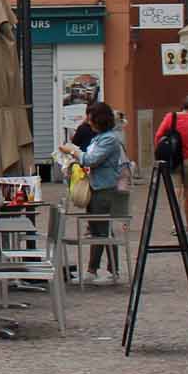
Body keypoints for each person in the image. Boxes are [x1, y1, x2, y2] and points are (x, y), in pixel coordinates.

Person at [81, 104, 130, 284]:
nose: (88, 120)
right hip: (96, 188)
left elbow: (91, 160)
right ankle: (105, 270)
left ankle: (100, 270)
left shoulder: (109, 139)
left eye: (91, 117)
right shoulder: (99, 138)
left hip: (104, 189)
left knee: (101, 231)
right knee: (99, 229)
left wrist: (75, 152)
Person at [155, 95, 188, 234]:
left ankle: (175, 224)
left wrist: (163, 153)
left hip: (174, 160)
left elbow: (158, 135)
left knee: (177, 190)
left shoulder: (170, 117)